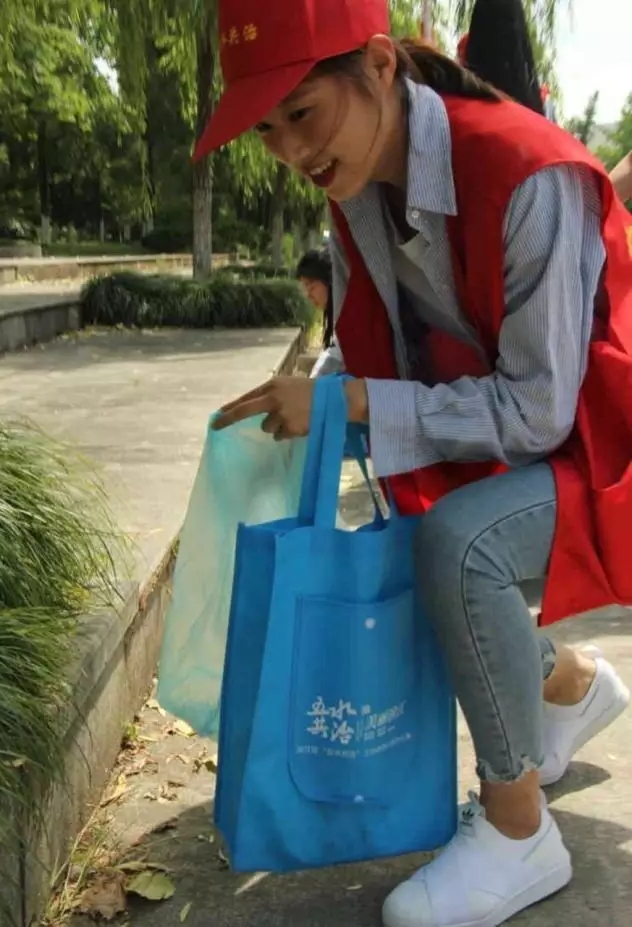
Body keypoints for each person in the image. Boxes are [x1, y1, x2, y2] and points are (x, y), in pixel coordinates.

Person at [203, 1, 632, 925]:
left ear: (380, 65)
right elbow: (370, 345)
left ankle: (521, 829)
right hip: (545, 438)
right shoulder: (357, 182)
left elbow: (539, 410)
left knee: (457, 549)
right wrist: (319, 396)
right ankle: (567, 686)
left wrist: (353, 404)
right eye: (267, 129)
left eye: (302, 113)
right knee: (408, 546)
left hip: (610, 444)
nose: (290, 149)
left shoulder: (527, 174)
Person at [295, 248, 343, 377]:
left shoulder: (347, 316)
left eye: (311, 287)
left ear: (330, 281)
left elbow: (336, 356)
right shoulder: (337, 313)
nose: (308, 295)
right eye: (305, 289)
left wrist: (312, 384)